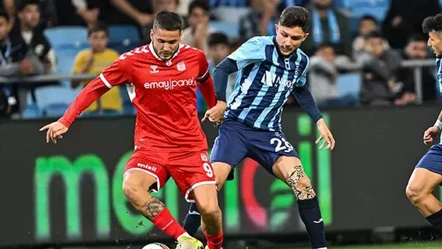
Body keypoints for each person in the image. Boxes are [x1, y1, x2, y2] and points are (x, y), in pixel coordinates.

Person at [39, 11, 223, 249]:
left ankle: (214, 247)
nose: (166, 47)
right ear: (151, 35)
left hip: (189, 147)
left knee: (211, 211)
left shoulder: (194, 57)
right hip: (151, 147)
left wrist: (214, 106)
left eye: (172, 42)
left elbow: (205, 79)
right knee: (131, 187)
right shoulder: (131, 62)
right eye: (161, 41)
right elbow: (95, 88)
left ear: (180, 37)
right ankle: (184, 238)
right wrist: (65, 120)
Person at [183, 6, 334, 249]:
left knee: (303, 184)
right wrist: (220, 101)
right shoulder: (259, 46)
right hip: (235, 129)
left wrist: (318, 119)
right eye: (283, 34)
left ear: (304, 37)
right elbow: (223, 68)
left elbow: (301, 89)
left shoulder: (301, 61)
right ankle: (182, 242)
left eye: (295, 38)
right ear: (277, 29)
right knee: (209, 187)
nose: (287, 42)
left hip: (269, 134)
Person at [406, 13, 442, 235]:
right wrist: (438, 125)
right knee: (416, 190)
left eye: (431, 38)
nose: (429, 43)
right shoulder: (440, 61)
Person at [71, 22, 123, 116]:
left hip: (113, 105)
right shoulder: (82, 56)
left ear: (107, 39)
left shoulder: (114, 55)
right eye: (95, 37)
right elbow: (73, 84)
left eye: (102, 37)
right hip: (90, 107)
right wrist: (86, 66)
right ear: (88, 39)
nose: (99, 42)